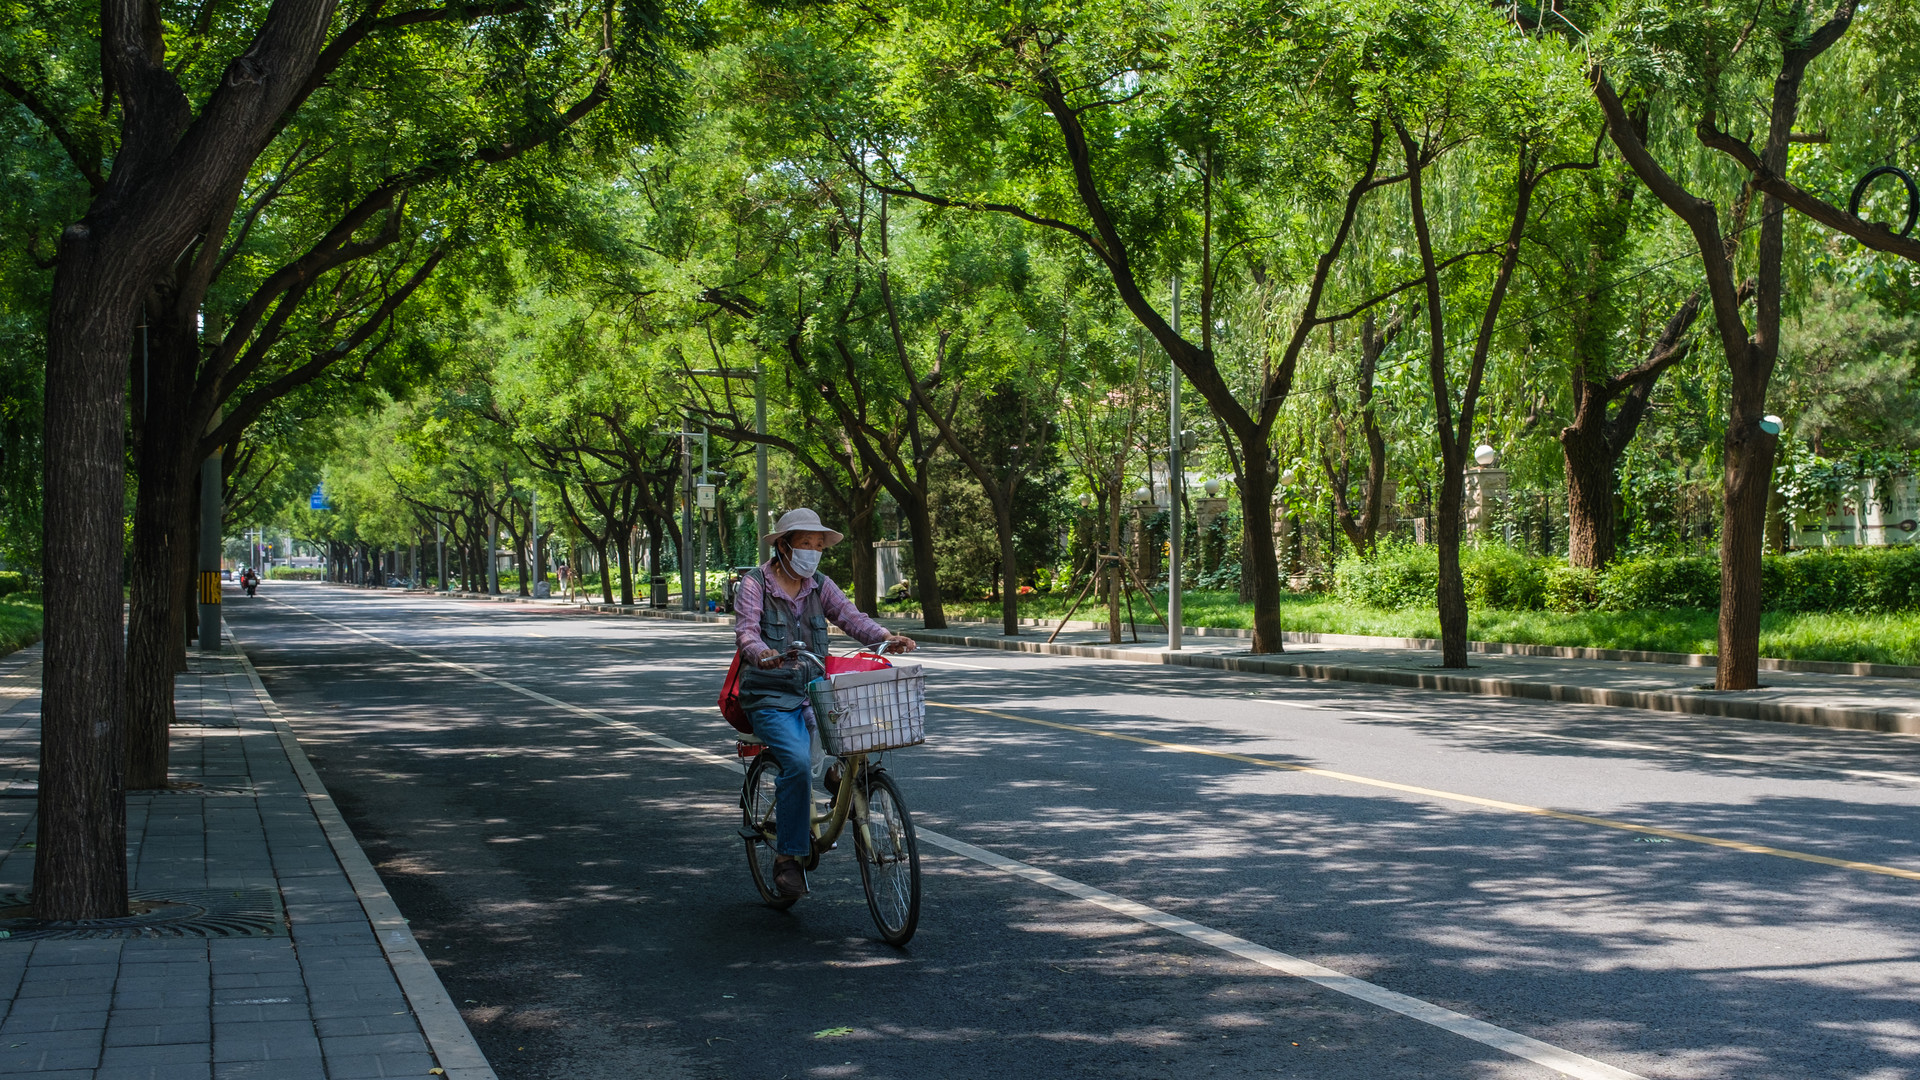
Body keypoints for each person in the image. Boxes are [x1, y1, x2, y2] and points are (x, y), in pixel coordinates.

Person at [733, 508, 915, 899]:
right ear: (783, 546)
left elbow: (851, 618)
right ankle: (789, 858)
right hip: (768, 695)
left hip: (814, 690)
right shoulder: (755, 584)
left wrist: (885, 636)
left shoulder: (821, 585)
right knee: (797, 764)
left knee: (863, 729)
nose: (813, 553)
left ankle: (839, 779)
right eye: (805, 545)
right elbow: (746, 632)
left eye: (818, 546)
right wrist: (762, 652)